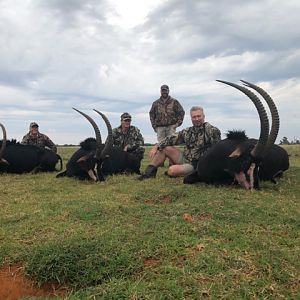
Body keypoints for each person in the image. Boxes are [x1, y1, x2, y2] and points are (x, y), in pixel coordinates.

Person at [138, 106, 221, 180]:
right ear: (191, 118)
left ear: (203, 116)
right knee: (165, 148)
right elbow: (171, 139)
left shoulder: (212, 131)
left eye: (199, 116)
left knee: (172, 170)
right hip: (186, 158)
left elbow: (217, 151)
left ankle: (175, 172)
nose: (197, 119)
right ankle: (148, 173)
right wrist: (156, 146)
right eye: (194, 117)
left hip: (197, 165)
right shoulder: (187, 131)